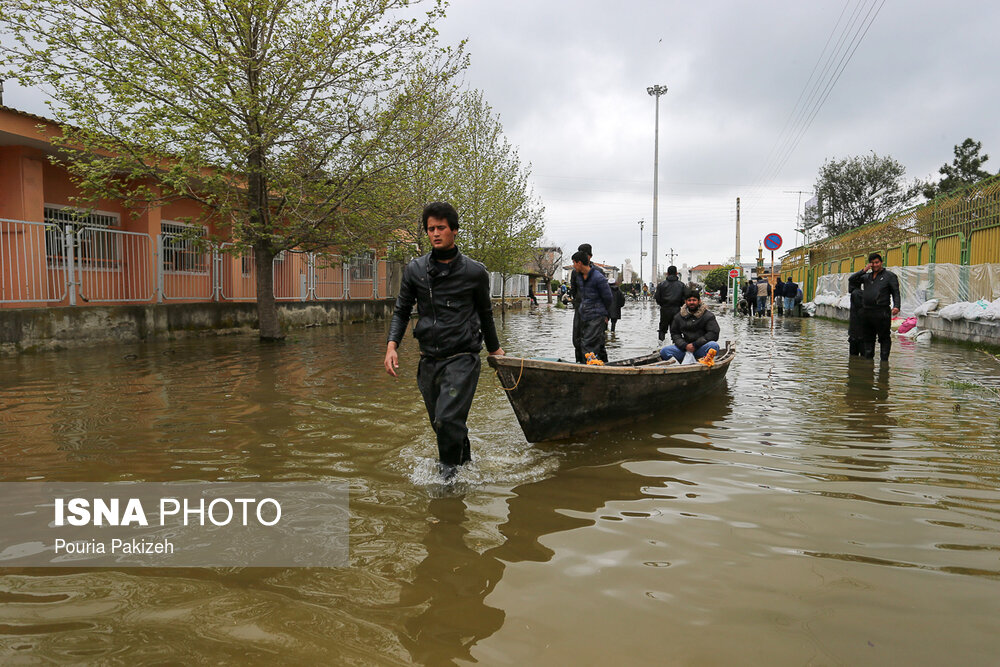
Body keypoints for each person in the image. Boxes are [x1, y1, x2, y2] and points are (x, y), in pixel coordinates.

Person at [384, 202, 504, 480]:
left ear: (454, 231)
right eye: (430, 229)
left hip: (462, 357)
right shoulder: (415, 270)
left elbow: (486, 315)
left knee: (447, 418)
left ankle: (446, 481)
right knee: (442, 423)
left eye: (441, 228)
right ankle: (465, 464)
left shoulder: (475, 272)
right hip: (429, 360)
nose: (435, 233)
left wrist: (495, 350)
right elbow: (402, 311)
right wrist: (392, 346)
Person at [851, 252, 901, 361]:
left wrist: (896, 306)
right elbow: (852, 280)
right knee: (868, 339)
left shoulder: (889, 276)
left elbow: (896, 292)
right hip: (867, 312)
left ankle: (884, 363)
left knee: (884, 338)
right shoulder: (866, 276)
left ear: (881, 262)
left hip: (882, 312)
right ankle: (869, 363)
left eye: (877, 262)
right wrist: (863, 270)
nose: (875, 265)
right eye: (872, 263)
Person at [570, 250, 613, 362]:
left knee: (588, 345)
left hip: (596, 315)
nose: (573, 266)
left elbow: (608, 298)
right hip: (583, 314)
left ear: (579, 263)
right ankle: (587, 364)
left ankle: (591, 369)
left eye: (574, 263)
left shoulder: (598, 277)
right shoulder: (579, 276)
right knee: (580, 341)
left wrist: (605, 314)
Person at [659, 289, 721, 363]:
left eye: (694, 300)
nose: (692, 302)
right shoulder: (678, 316)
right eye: (689, 300)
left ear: (699, 301)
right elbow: (675, 334)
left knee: (713, 346)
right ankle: (679, 367)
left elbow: (713, 333)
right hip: (685, 349)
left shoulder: (708, 316)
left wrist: (695, 344)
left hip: (701, 348)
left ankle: (705, 363)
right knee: (664, 351)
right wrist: (685, 345)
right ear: (686, 302)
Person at [654, 265, 686, 342]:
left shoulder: (661, 285)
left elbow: (657, 297)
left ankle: (660, 346)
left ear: (667, 273)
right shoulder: (681, 285)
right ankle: (676, 346)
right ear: (676, 273)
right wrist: (680, 304)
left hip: (665, 309)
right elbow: (685, 298)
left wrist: (662, 304)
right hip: (677, 309)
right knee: (676, 330)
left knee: (662, 329)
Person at [847, 271, 865, 356]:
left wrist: (863, 271)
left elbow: (860, 309)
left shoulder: (856, 293)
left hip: (857, 331)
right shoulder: (860, 293)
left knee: (854, 355)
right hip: (859, 330)